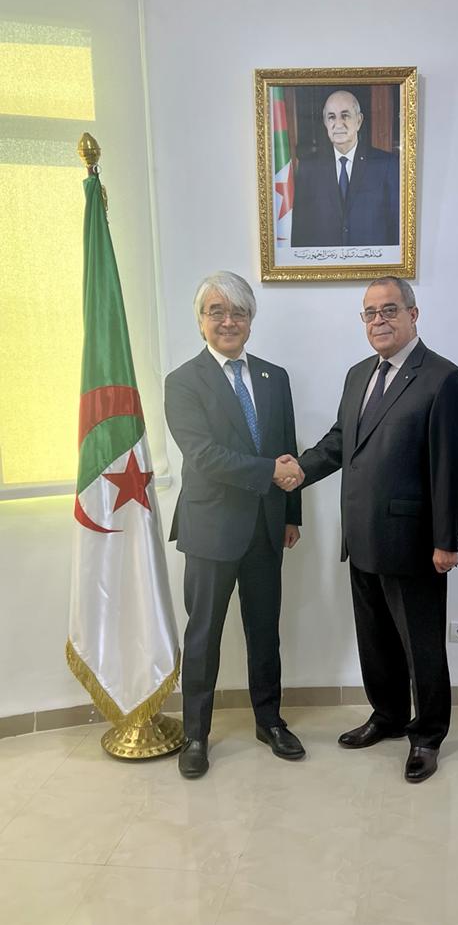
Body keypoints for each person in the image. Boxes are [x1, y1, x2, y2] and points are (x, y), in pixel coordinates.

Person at [294, 277, 458, 783]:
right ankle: (389, 716)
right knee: (375, 640)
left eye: (389, 310)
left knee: (421, 647)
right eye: (370, 313)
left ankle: (428, 736)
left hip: (414, 544)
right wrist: (299, 470)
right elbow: (340, 441)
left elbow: (454, 467)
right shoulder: (358, 375)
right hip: (361, 536)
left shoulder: (443, 379)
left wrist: (447, 540)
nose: (379, 320)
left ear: (413, 315)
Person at [164, 271, 305, 779]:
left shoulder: (274, 377)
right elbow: (203, 456)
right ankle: (195, 735)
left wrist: (292, 514)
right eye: (216, 312)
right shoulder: (183, 381)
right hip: (211, 528)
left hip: (267, 527)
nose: (228, 321)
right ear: (201, 321)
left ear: (250, 320)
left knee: (265, 630)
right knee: (204, 634)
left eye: (238, 312)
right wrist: (269, 472)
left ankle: (269, 721)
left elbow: (287, 446)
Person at [290, 90, 399, 248]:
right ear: (325, 123)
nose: (338, 124)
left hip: (370, 261)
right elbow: (300, 231)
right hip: (325, 262)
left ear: (359, 121)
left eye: (345, 115)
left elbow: (396, 228)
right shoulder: (309, 168)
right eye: (331, 117)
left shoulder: (386, 165)